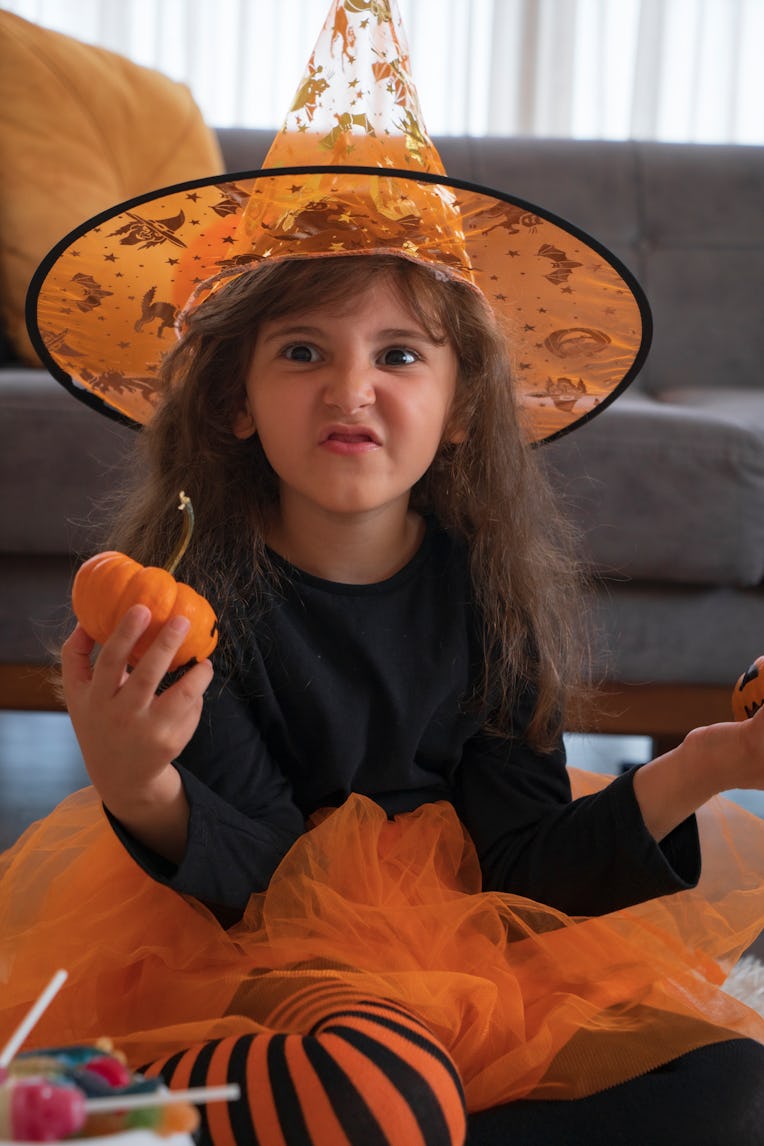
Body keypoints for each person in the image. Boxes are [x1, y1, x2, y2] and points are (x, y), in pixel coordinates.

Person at [2, 3, 763, 1144]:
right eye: (301, 351)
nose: (350, 388)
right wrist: (137, 784)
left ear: (458, 410)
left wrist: (712, 761)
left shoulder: (488, 598)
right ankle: (150, 1104)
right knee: (376, 1077)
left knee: (725, 1085)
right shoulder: (199, 603)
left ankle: (310, 1120)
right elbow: (251, 873)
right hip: (255, 955)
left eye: (398, 354)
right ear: (233, 401)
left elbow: (528, 862)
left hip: (455, 957)